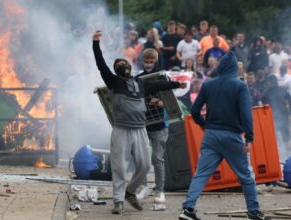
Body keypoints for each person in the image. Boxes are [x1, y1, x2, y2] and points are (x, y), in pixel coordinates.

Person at [92, 31, 186, 215]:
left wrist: (176, 84)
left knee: (144, 166)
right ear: (117, 70)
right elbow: (100, 64)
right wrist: (95, 44)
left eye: (123, 62)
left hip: (140, 129)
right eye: (118, 64)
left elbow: (159, 85)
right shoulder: (114, 81)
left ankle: (129, 192)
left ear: (128, 65)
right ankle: (118, 201)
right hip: (122, 129)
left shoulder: (139, 83)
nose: (122, 64)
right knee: (119, 165)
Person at [179, 52, 267, 220]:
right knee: (246, 176)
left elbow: (194, 110)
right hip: (232, 136)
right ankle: (254, 212)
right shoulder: (240, 86)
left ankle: (188, 210)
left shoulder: (208, 85)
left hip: (211, 136)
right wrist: (249, 137)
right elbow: (246, 113)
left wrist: (204, 125)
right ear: (234, 68)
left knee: (201, 174)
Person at [134, 48, 171, 209]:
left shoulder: (163, 78)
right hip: (142, 125)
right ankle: (144, 187)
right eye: (146, 61)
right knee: (141, 158)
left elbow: (170, 103)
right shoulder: (138, 79)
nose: (148, 64)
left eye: (151, 61)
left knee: (157, 158)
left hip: (159, 125)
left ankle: (160, 191)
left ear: (156, 61)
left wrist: (159, 103)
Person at [262, 75, 291, 162]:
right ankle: (283, 158)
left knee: (284, 139)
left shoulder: (270, 92)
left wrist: (289, 113)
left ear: (271, 82)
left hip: (280, 119)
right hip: (275, 119)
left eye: (269, 82)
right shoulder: (268, 93)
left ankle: (284, 158)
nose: (268, 83)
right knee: (281, 139)